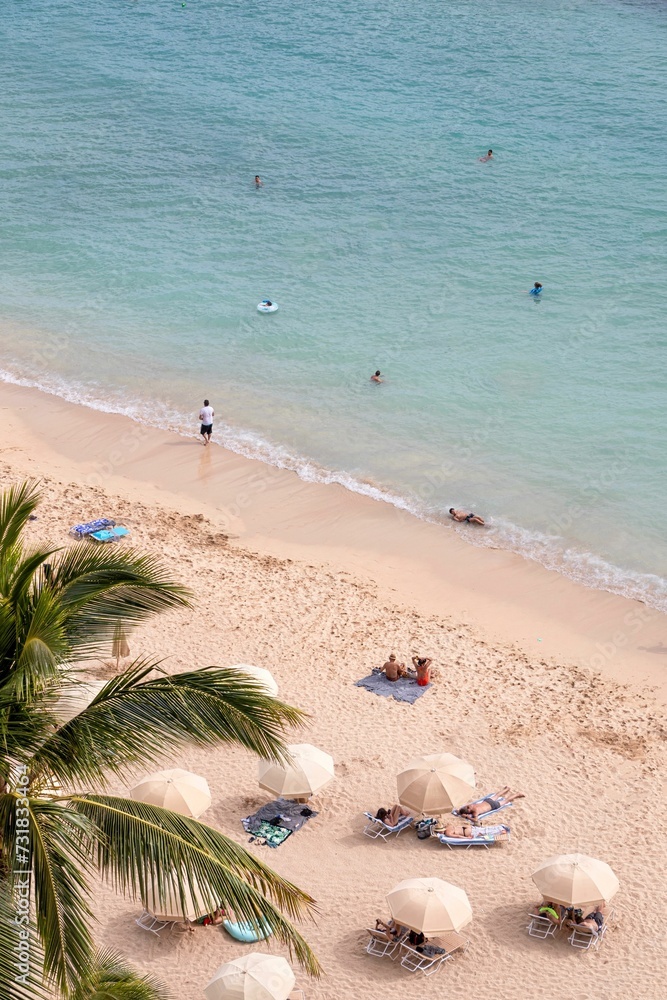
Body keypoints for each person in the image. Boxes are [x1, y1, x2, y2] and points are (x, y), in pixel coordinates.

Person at [458, 787, 525, 820]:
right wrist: (459, 812)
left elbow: (475, 820)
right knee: (496, 795)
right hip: (487, 801)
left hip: (493, 805)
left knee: (506, 801)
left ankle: (517, 795)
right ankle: (506, 789)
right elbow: (460, 810)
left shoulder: (475, 812)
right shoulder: (469, 806)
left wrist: (467, 817)